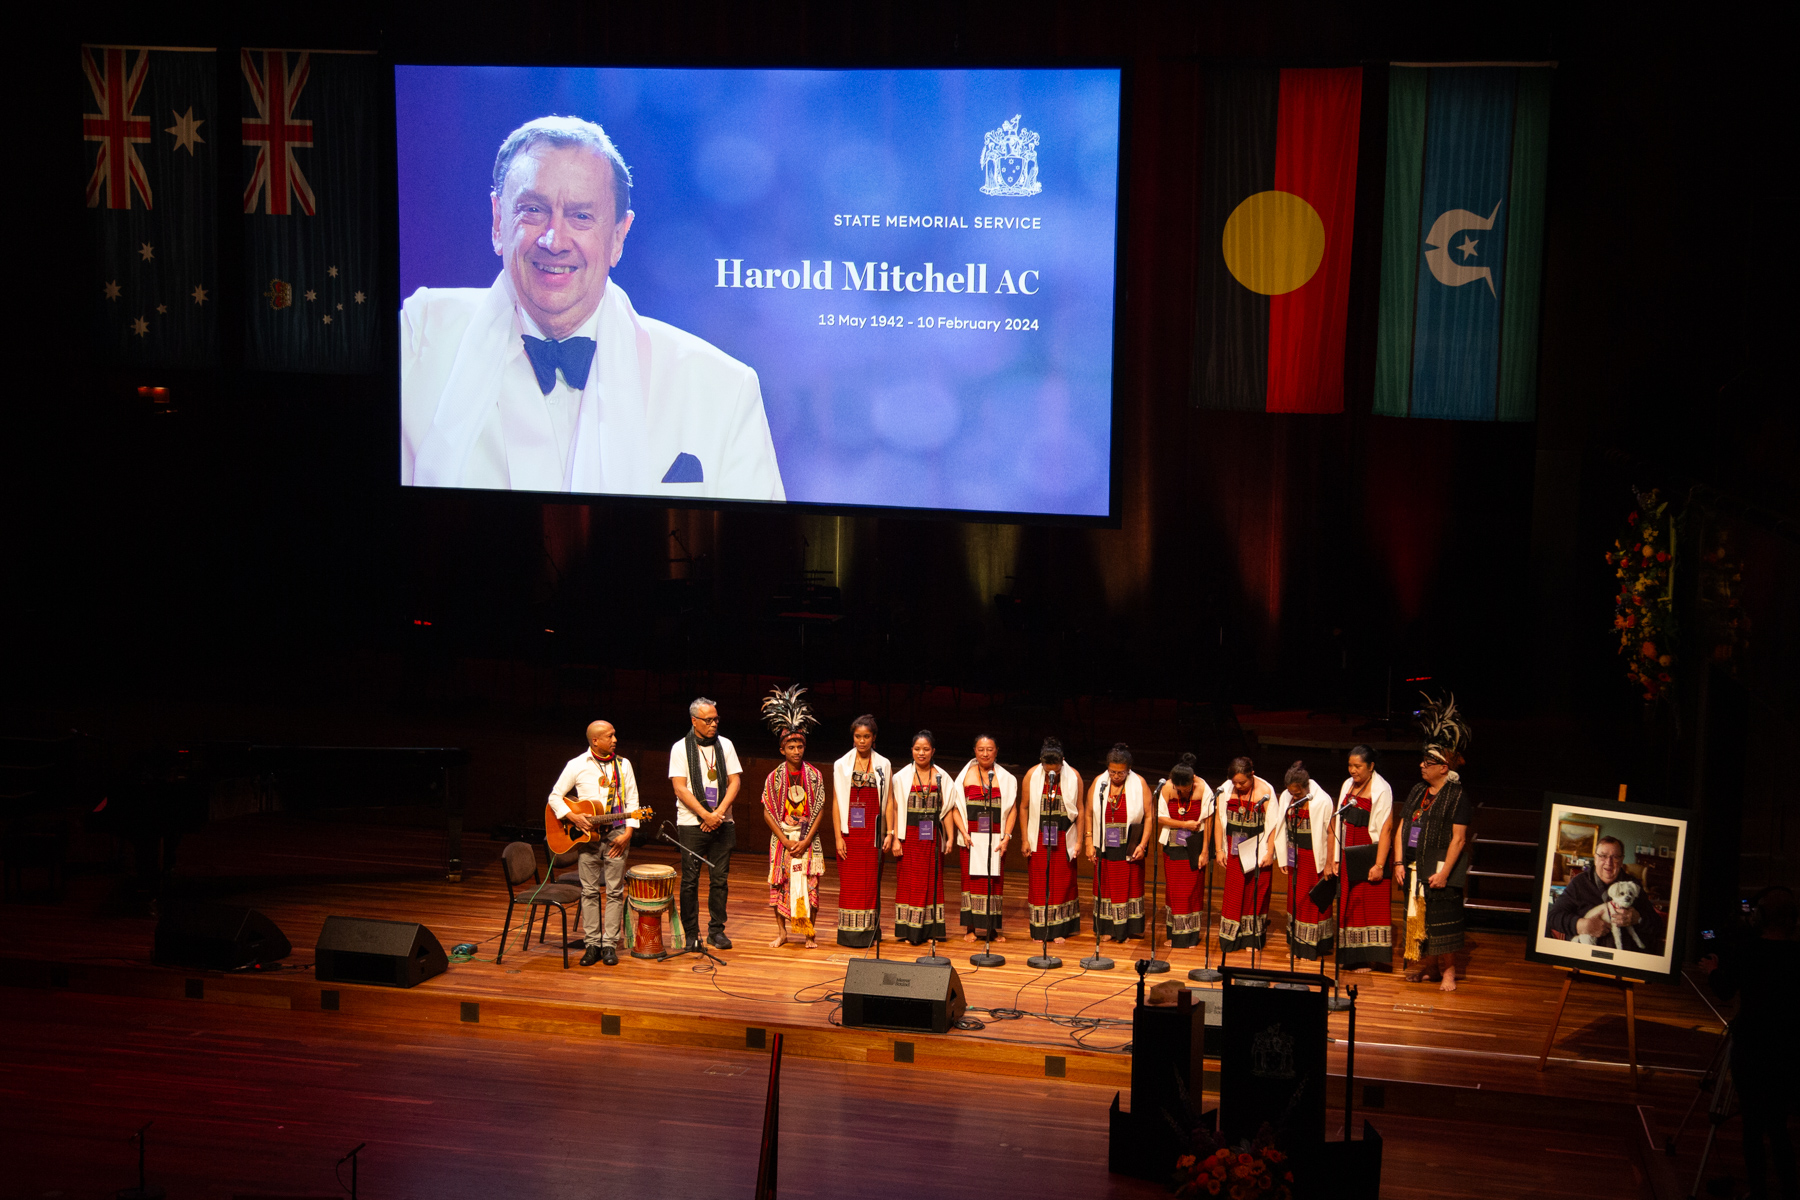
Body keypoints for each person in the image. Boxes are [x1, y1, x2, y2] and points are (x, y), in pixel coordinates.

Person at [401, 115, 784, 500]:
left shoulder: (721, 389)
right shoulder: (419, 342)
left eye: (580, 216)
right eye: (533, 210)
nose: (554, 239)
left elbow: (757, 551)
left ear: (619, 236)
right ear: (498, 220)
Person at [1697, 886, 1799, 1200]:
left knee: (1752, 1125)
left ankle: (1757, 1190)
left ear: (1760, 918)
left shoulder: (1748, 951)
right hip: (1788, 1049)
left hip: (1751, 1046)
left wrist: (1713, 971)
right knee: (1779, 1125)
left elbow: (1726, 991)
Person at [1393, 694, 1473, 991]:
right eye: (1423, 760)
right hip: (1413, 868)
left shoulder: (1457, 797)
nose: (1421, 765)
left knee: (1442, 922)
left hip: (1439, 870)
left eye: (1428, 762)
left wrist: (1444, 873)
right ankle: (1430, 966)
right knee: (1419, 921)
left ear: (1443, 767)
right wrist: (1399, 861)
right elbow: (1402, 826)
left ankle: (1449, 970)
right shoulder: (1417, 790)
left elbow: (1459, 839)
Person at [546, 719, 642, 967]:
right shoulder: (577, 765)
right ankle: (592, 945)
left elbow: (633, 802)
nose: (615, 740)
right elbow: (555, 797)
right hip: (586, 838)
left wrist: (628, 833)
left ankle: (609, 944)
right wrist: (572, 816)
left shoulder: (624, 765)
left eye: (615, 735)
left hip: (616, 835)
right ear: (595, 741)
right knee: (589, 892)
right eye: (610, 736)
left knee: (614, 892)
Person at [670, 696, 743, 950]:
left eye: (716, 719)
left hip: (722, 821)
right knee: (690, 880)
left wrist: (718, 813)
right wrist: (705, 814)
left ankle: (716, 931)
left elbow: (735, 781)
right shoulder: (680, 748)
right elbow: (680, 788)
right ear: (694, 721)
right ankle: (691, 933)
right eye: (708, 720)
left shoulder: (726, 745)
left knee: (719, 880)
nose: (714, 724)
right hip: (692, 824)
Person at [757, 686, 827, 949]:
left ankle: (809, 933)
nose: (796, 750)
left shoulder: (815, 776)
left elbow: (819, 809)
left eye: (800, 745)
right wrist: (785, 841)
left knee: (811, 887)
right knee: (779, 885)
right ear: (782, 749)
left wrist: (806, 840)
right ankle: (783, 932)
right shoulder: (774, 778)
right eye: (791, 746)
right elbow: (766, 811)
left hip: (808, 839)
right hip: (782, 839)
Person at [885, 730, 957, 945]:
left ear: (933, 751)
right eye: (917, 749)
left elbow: (947, 811)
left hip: (932, 838)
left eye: (926, 749)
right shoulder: (900, 778)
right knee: (909, 882)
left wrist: (950, 838)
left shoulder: (942, 777)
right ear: (912, 751)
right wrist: (896, 838)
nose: (921, 753)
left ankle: (929, 931)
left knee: (932, 881)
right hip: (909, 838)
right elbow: (895, 809)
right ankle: (909, 931)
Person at [1544, 835, 1664, 955]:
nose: (1609, 862)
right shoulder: (1579, 883)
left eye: (1615, 857)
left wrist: (1638, 918)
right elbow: (1553, 917)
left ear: (1622, 860)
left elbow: (1657, 925)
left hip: (1623, 957)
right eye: (1602, 856)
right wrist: (1582, 925)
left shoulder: (1632, 885)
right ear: (1595, 858)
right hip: (1584, 955)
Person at [831, 715, 891, 948]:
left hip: (873, 835)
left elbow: (889, 801)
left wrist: (889, 832)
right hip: (850, 834)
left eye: (866, 736)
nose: (862, 741)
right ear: (853, 737)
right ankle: (849, 934)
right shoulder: (841, 765)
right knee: (850, 883)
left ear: (874, 738)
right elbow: (836, 802)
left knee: (871, 882)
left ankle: (871, 931)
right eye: (858, 736)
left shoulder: (883, 764)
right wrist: (838, 837)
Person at [950, 736, 1018, 941]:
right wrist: (963, 832)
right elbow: (955, 808)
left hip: (995, 838)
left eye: (989, 749)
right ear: (974, 750)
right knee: (970, 882)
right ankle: (970, 927)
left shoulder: (1006, 778)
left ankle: (991, 929)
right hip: (971, 838)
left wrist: (1007, 836)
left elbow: (1012, 809)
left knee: (993, 882)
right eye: (981, 749)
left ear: (997, 751)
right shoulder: (965, 775)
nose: (985, 754)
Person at [1335, 745, 1396, 972]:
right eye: (1350, 765)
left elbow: (1385, 828)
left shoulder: (1382, 789)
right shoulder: (1347, 785)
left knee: (1366, 905)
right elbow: (1337, 822)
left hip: (1368, 853)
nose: (1353, 770)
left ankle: (1368, 957)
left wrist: (1379, 864)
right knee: (1348, 903)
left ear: (1371, 767)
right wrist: (1335, 858)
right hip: (1347, 852)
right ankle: (1352, 957)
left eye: (1358, 766)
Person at [1213, 756, 1281, 957]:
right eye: (1235, 782)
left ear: (1252, 774)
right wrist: (1219, 849)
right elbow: (1219, 820)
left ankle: (1252, 938)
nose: (1238, 786)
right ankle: (1231, 938)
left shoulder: (1265, 791)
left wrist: (1270, 853)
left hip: (1258, 849)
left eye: (1242, 782)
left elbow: (1273, 825)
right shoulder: (1224, 790)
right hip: (1234, 849)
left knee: (1256, 891)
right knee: (1234, 893)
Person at [1087, 744, 1153, 942]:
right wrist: (1089, 840)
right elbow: (1089, 812)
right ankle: (1108, 927)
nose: (1116, 776)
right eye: (1112, 771)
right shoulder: (1099, 782)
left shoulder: (1139, 783)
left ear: (1129, 769)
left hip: (1130, 846)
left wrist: (1142, 845)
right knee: (1106, 887)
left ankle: (1131, 928)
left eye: (1121, 772)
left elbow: (1149, 816)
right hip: (1105, 846)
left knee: (1131, 886)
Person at [1021, 739, 1084, 944]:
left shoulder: (1074, 776)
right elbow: (1023, 807)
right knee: (1040, 882)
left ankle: (1059, 929)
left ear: (1062, 763)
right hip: (1039, 835)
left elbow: (1081, 810)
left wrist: (1080, 842)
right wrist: (1024, 839)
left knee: (1062, 882)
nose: (1052, 775)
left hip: (1064, 835)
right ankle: (1040, 929)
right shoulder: (1031, 775)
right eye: (1049, 771)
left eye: (1056, 772)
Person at [1279, 762, 1336, 962]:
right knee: (1296, 900)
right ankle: (1297, 946)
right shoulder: (1286, 797)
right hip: (1296, 857)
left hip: (1314, 859)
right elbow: (1281, 827)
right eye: (1291, 793)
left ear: (1306, 787)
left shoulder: (1322, 801)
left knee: (1311, 902)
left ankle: (1311, 948)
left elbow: (1331, 833)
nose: (1294, 796)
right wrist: (1284, 856)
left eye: (1297, 793)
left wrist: (1330, 863)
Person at [1156, 753, 1215, 950]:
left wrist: (1205, 851)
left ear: (1193, 781)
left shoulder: (1203, 788)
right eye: (1178, 789)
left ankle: (1191, 937)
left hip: (1195, 846)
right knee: (1174, 891)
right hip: (1173, 847)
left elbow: (1209, 821)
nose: (1181, 793)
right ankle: (1175, 935)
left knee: (1193, 891)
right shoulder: (1166, 788)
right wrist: (1184, 824)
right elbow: (1160, 817)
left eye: (1186, 789)